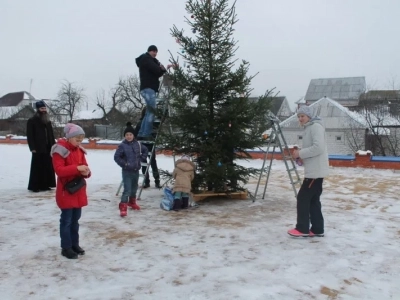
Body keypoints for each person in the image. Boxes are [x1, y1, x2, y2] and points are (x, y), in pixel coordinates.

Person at [50, 123, 91, 259]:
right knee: (66, 221)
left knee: (75, 220)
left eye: (81, 140)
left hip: (77, 190)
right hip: (66, 191)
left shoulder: (79, 150)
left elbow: (85, 166)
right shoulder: (59, 150)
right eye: (77, 140)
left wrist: (86, 171)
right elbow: (59, 170)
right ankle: (66, 247)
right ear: (69, 137)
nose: (79, 142)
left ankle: (75, 244)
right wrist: (77, 168)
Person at [289, 105, 329, 237]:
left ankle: (302, 229)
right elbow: (313, 150)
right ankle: (317, 229)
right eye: (299, 116)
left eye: (303, 116)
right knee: (313, 200)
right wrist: (301, 158)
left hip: (315, 172)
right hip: (314, 169)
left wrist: (300, 152)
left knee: (303, 197)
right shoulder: (309, 128)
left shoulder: (315, 127)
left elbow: (318, 148)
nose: (300, 119)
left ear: (309, 116)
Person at [135, 45, 175, 140]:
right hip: (148, 88)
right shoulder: (146, 59)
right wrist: (160, 68)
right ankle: (146, 134)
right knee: (152, 111)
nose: (155, 53)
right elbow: (157, 70)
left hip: (149, 88)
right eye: (153, 51)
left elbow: (159, 73)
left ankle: (141, 133)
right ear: (149, 51)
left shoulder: (151, 60)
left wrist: (166, 68)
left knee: (149, 112)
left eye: (156, 52)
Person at [114, 122, 148, 217]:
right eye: (127, 135)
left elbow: (145, 150)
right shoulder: (122, 145)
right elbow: (117, 157)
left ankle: (132, 202)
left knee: (134, 188)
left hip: (136, 170)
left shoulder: (138, 144)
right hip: (127, 171)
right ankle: (123, 206)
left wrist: (141, 159)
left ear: (133, 135)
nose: (129, 136)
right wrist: (125, 164)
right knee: (127, 189)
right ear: (124, 136)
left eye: (130, 134)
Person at [26, 100, 56, 192]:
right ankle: (35, 186)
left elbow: (51, 135)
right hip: (38, 148)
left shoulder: (48, 121)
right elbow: (30, 135)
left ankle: (45, 185)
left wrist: (54, 146)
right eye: (42, 108)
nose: (44, 110)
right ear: (38, 109)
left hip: (48, 147)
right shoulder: (32, 121)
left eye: (45, 108)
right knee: (37, 167)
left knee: (47, 166)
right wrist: (32, 148)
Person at [134, 106, 161, 189]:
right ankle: (147, 182)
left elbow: (160, 121)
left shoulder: (153, 122)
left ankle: (156, 181)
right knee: (145, 164)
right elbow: (136, 134)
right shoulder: (141, 122)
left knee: (152, 163)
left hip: (150, 145)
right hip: (143, 146)